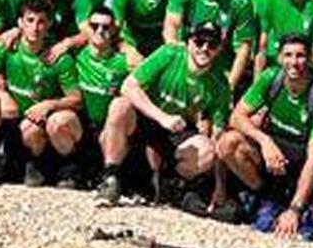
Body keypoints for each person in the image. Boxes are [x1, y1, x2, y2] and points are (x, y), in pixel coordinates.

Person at [217, 35, 313, 238]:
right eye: (288, 55)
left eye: (300, 56)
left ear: (310, 59)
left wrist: (295, 209)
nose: (294, 62)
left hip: (306, 154)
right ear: (279, 58)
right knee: (228, 143)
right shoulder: (271, 78)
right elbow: (236, 117)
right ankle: (266, 199)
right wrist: (264, 141)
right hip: (276, 150)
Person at [95, 22, 233, 211]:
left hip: (176, 131)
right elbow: (128, 86)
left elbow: (218, 136)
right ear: (189, 42)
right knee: (119, 106)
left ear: (219, 49)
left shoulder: (220, 83)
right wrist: (162, 117)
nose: (204, 48)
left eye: (212, 44)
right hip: (148, 116)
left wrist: (220, 186)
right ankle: (111, 177)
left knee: (207, 151)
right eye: (199, 42)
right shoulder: (169, 53)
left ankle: (170, 184)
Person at [0, 0, 86, 186]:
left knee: (59, 121)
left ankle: (70, 168)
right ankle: (32, 165)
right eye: (30, 20)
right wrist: (3, 96)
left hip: (50, 123)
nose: (35, 27)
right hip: (19, 123)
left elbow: (76, 99)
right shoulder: (7, 48)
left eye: (41, 22)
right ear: (19, 23)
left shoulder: (58, 57)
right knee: (26, 127)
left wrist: (50, 104)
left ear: (49, 24)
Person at [165, 0, 258, 92]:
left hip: (220, 73)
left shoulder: (239, 1)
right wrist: (180, 66)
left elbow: (244, 48)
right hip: (186, 68)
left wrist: (229, 87)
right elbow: (171, 28)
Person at [65, 5, 132, 185]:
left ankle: (109, 176)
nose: (100, 31)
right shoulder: (75, 54)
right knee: (59, 123)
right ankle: (70, 170)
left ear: (114, 30)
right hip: (82, 124)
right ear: (88, 27)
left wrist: (129, 47)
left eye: (106, 27)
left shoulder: (123, 61)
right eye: (95, 26)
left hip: (107, 128)